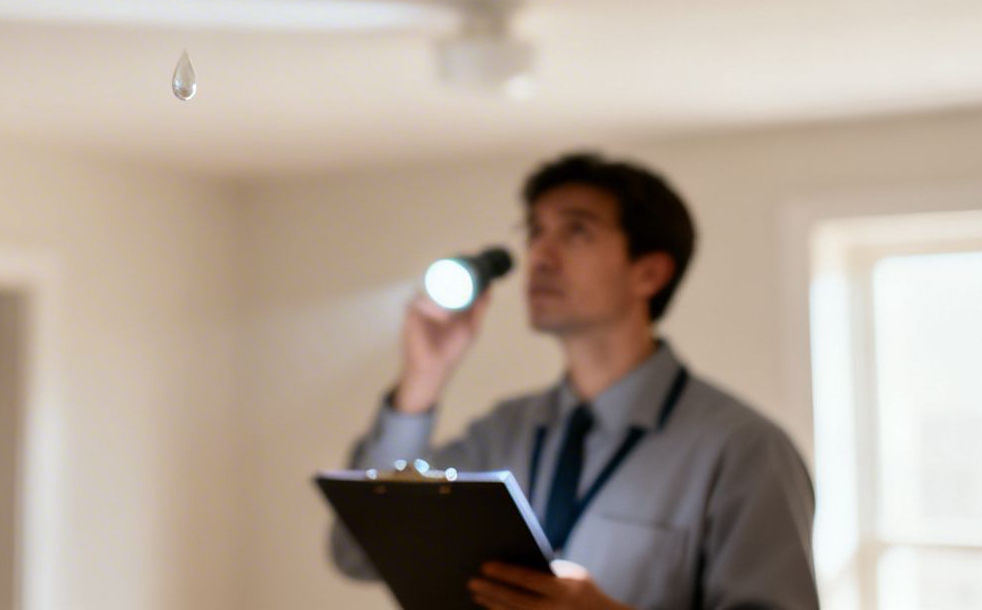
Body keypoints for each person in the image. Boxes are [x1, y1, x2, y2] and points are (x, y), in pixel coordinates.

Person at [330, 152, 818, 610]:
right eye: (535, 232)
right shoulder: (505, 432)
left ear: (649, 273)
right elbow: (355, 553)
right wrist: (423, 379)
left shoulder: (743, 450)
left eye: (576, 231)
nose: (540, 256)